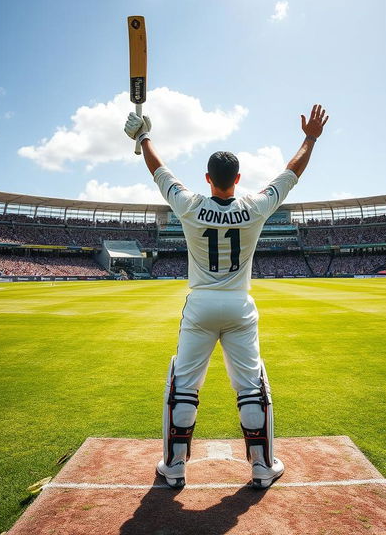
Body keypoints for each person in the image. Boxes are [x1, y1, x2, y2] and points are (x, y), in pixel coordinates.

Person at [124, 104, 328, 489]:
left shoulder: (189, 204)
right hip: (239, 304)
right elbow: (290, 174)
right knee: (250, 386)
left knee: (184, 385)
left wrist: (142, 136)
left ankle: (175, 466)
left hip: (200, 305)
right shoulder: (255, 207)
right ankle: (262, 467)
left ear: (207, 178)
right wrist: (310, 138)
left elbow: (159, 171)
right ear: (238, 178)